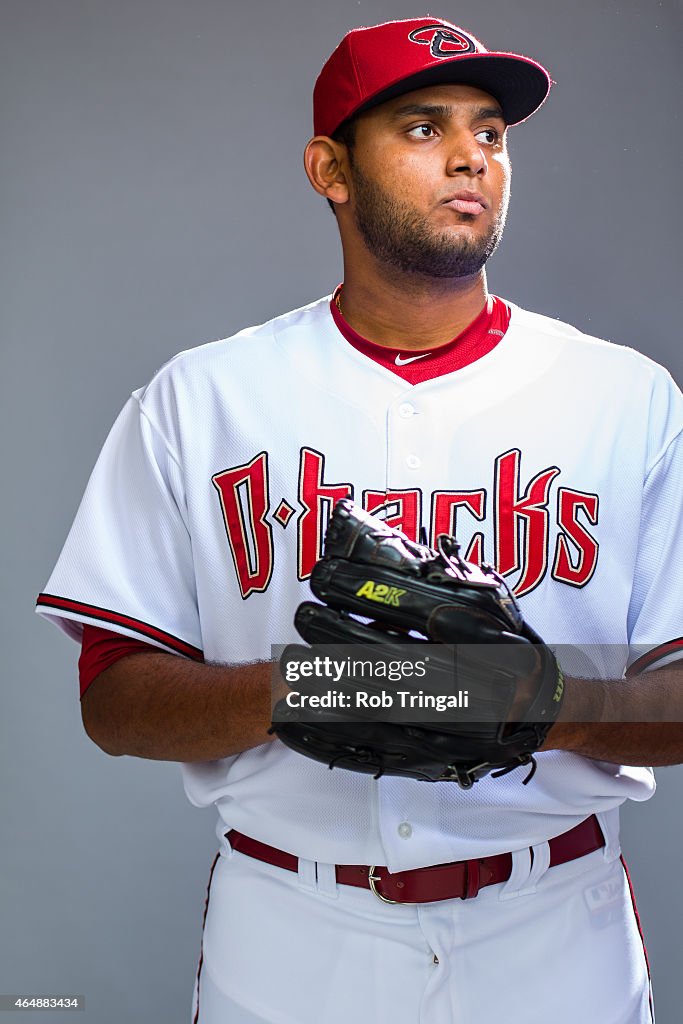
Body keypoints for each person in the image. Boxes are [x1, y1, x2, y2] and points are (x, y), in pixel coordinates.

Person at [36, 16, 683, 1024]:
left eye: (490, 132)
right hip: (291, 934)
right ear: (328, 168)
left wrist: (531, 696)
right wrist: (316, 685)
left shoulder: (627, 398)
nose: (471, 152)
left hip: (555, 931)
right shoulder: (201, 398)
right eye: (422, 128)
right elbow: (113, 698)